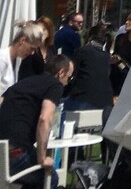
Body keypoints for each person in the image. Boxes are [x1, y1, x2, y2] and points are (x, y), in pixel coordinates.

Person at [0, 54, 75, 188]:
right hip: (15, 153)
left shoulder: (23, 84)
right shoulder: (54, 85)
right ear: (61, 73)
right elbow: (45, 118)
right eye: (69, 77)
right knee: (50, 177)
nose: (67, 82)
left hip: (3, 152)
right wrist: (42, 158)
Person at [64, 24, 115, 120]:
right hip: (105, 101)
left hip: (84, 97)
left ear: (90, 37)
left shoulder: (83, 51)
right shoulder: (106, 56)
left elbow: (72, 74)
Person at [1, 21, 46, 95]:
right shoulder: (2, 58)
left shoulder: (14, 61)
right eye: (32, 48)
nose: (32, 53)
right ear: (22, 40)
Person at [18, 15, 56, 80]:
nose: (41, 33)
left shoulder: (52, 49)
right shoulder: (31, 49)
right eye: (39, 30)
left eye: (43, 30)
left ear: (49, 32)